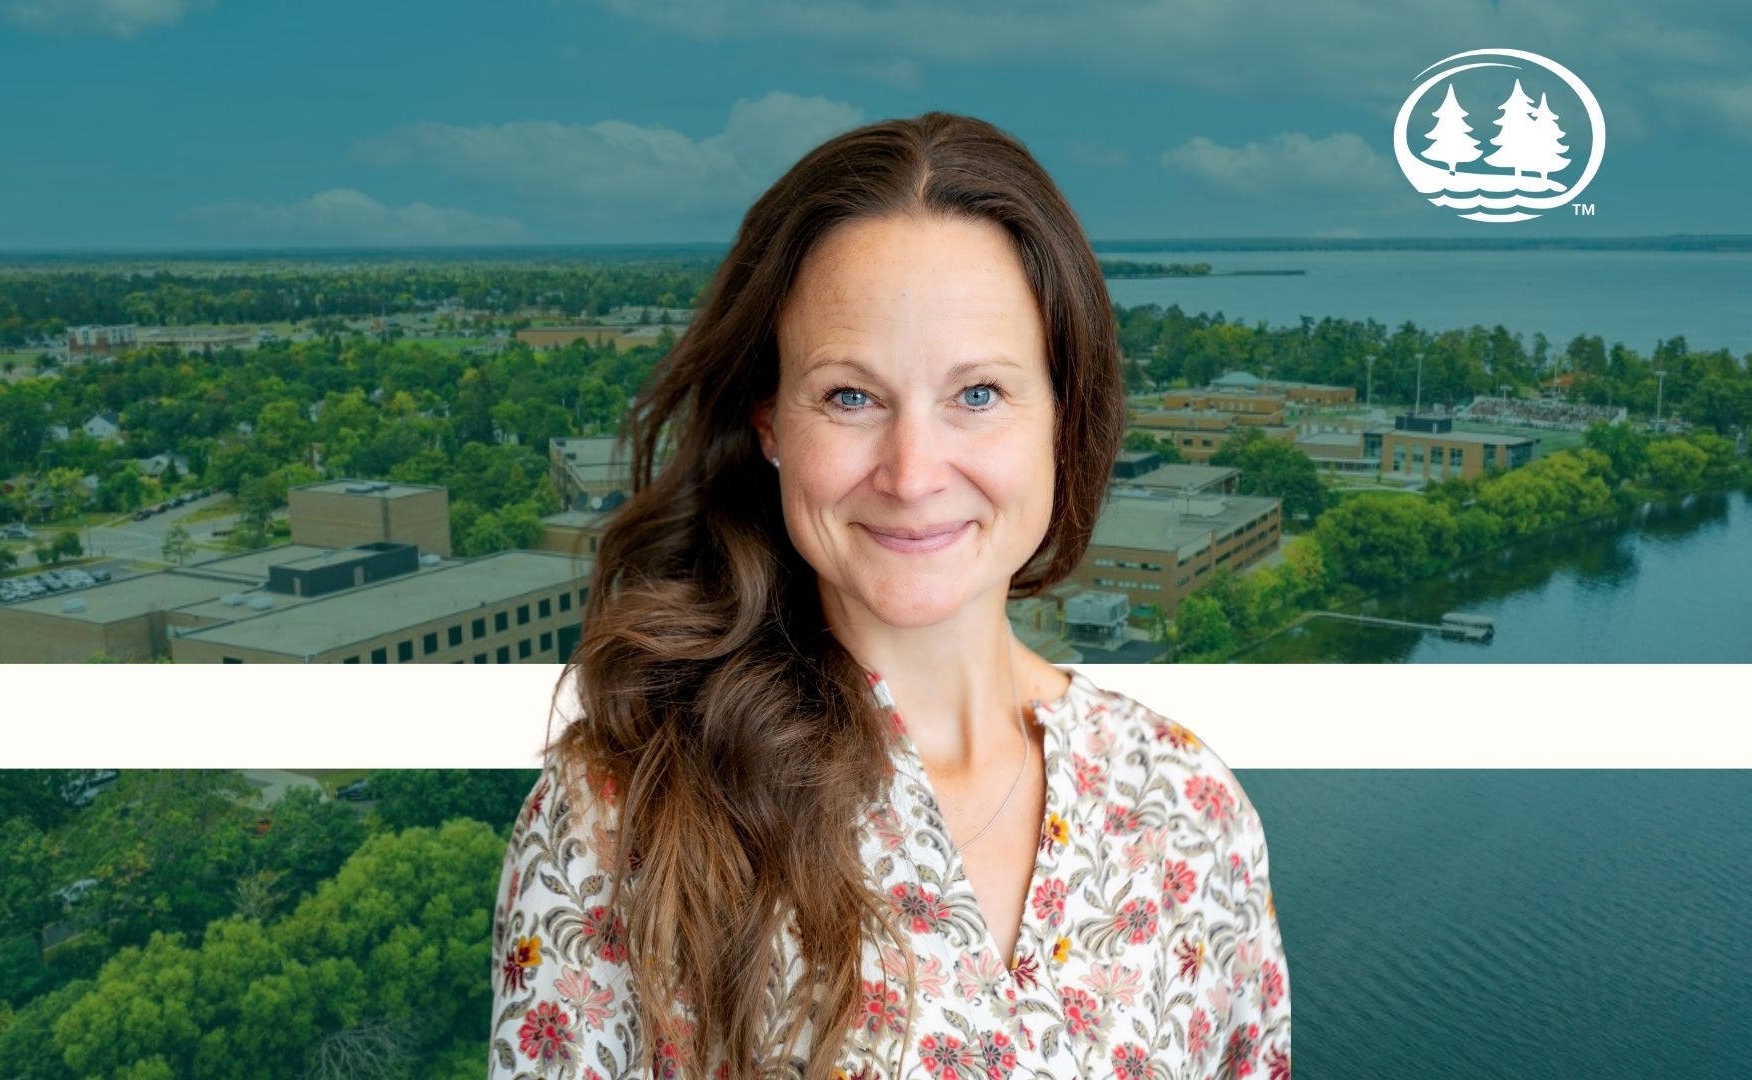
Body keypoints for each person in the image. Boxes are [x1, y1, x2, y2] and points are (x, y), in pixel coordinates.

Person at [489, 111, 1289, 1080]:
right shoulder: (620, 823)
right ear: (771, 424)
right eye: (850, 397)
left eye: (979, 394)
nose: (913, 473)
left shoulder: (1187, 810)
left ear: (1062, 416)